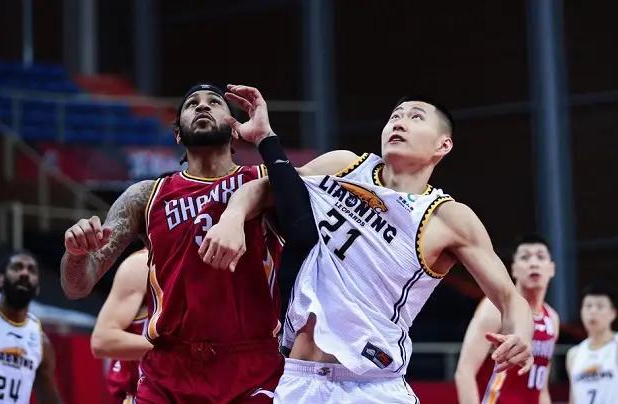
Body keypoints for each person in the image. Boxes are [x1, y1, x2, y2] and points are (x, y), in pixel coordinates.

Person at [202, 85, 534, 403]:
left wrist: (521, 334)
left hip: (374, 387)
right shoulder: (344, 166)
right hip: (299, 380)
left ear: (442, 145)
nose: (399, 123)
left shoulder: (447, 217)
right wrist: (232, 217)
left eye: (415, 117)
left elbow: (509, 298)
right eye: (395, 116)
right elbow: (266, 186)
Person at [60, 83, 290, 403]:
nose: (203, 106)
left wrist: (265, 136)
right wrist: (75, 255)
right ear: (178, 135)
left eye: (215, 102)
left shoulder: (266, 181)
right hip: (170, 369)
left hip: (251, 366)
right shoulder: (145, 196)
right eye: (192, 104)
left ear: (234, 129)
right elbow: (77, 286)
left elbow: (326, 187)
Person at [455, 234, 559, 404]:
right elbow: (464, 372)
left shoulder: (552, 318)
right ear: (514, 269)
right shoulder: (495, 308)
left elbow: (542, 386)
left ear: (552, 269)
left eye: (540, 257)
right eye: (525, 257)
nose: (533, 263)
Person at [0, 251, 62, 403]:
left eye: (32, 270)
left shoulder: (40, 341)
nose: (24, 273)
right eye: (17, 267)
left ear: (38, 288)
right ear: (0, 280)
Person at [91, 248, 149, 403]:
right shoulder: (141, 264)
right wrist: (174, 349)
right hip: (146, 394)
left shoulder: (206, 265)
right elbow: (102, 341)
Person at [566, 284, 618, 404]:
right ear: (581, 312)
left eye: (600, 306)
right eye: (588, 306)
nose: (593, 311)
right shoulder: (574, 354)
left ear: (613, 313)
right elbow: (573, 399)